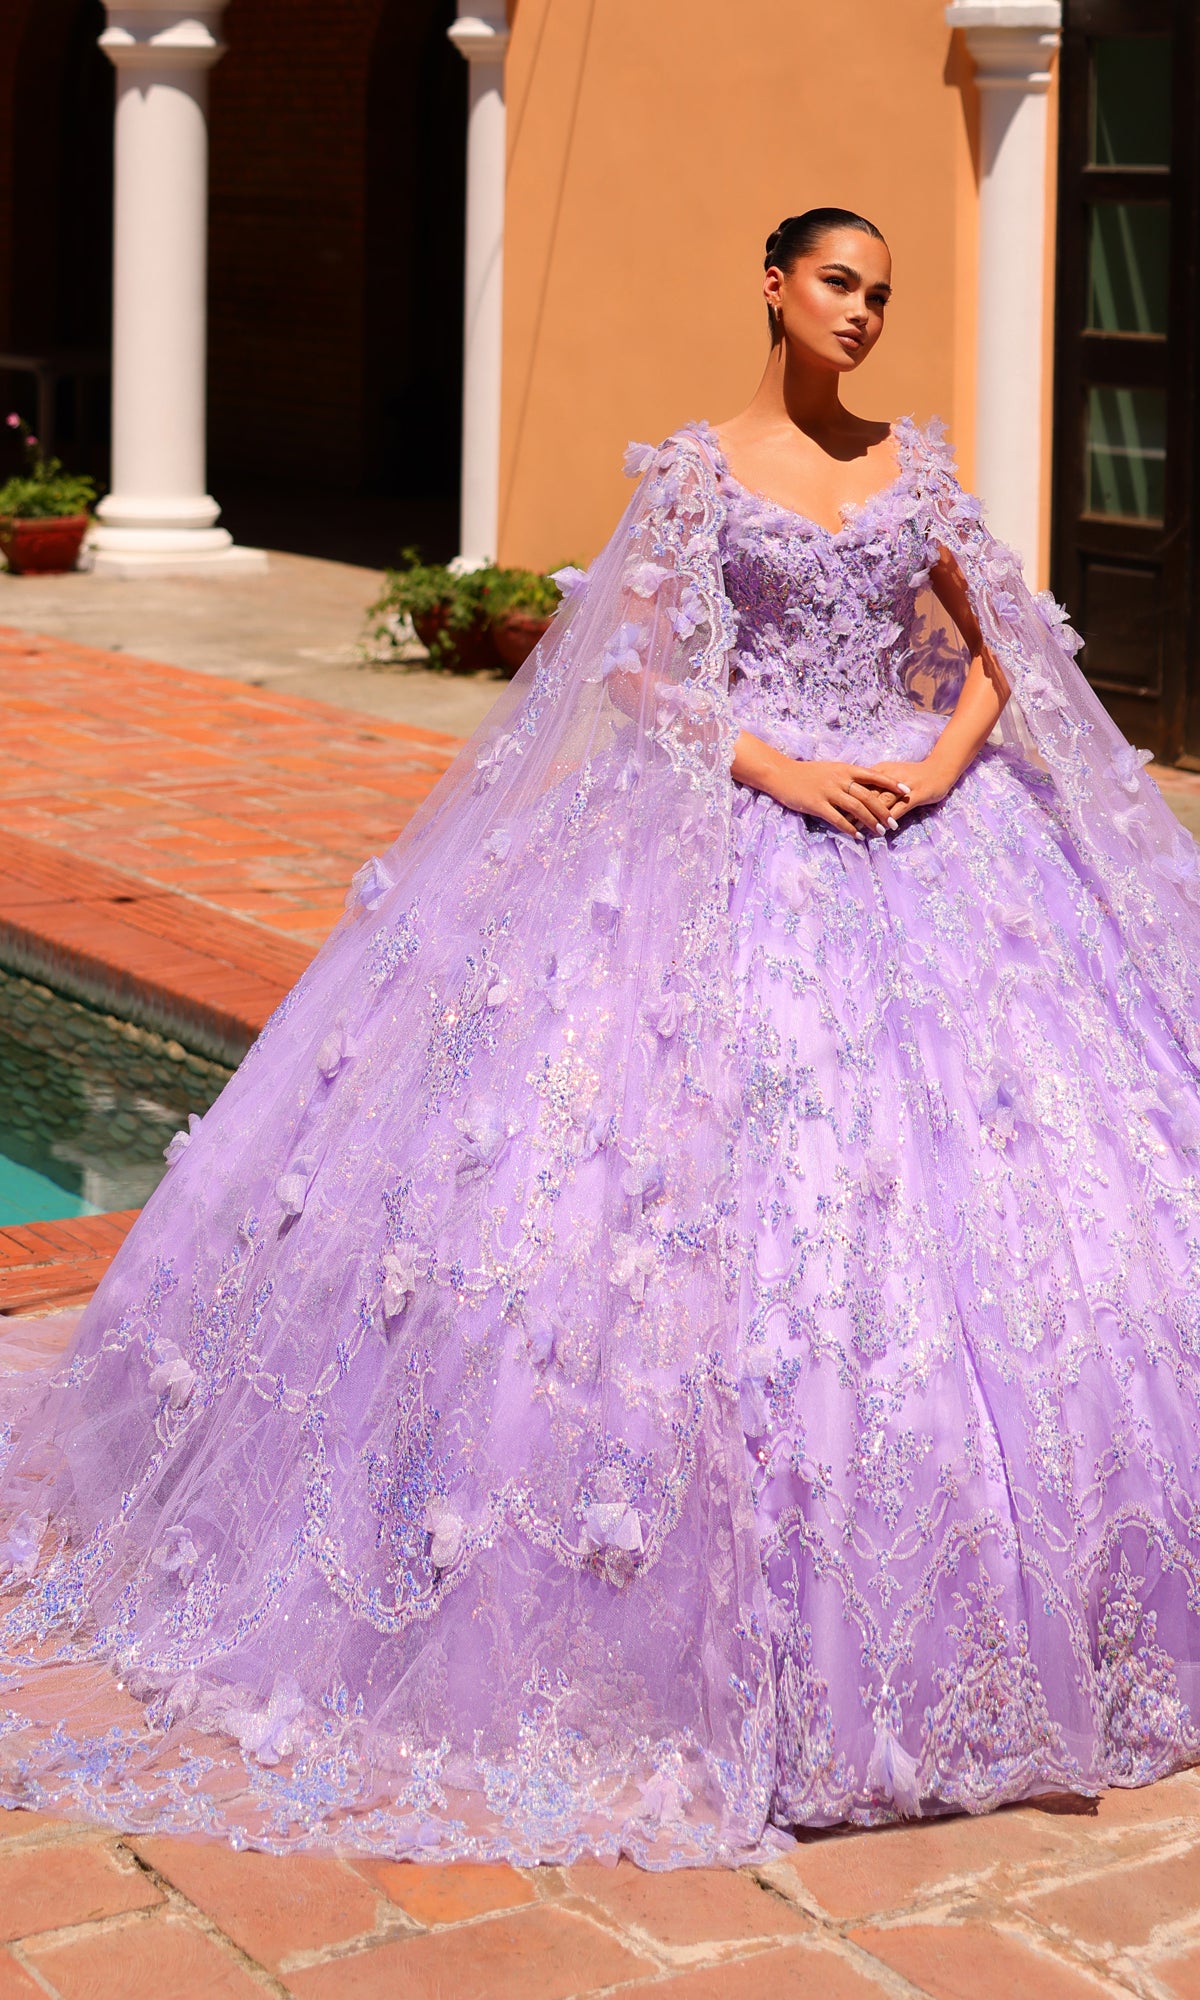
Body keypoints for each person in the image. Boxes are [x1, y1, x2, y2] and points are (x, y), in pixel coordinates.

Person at [3, 207, 1200, 1870]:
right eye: (839, 285)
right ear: (772, 284)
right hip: (748, 827)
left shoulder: (915, 475)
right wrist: (774, 764)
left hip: (925, 847)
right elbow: (633, 671)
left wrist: (930, 773)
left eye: (883, 296)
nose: (863, 317)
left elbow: (1014, 646)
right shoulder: (698, 473)